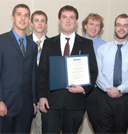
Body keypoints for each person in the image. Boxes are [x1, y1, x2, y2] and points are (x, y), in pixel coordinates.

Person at [37, 5, 98, 133]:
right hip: (51, 103)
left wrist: (84, 88)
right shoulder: (48, 43)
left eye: (72, 18)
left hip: (75, 104)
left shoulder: (87, 44)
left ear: (76, 21)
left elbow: (93, 71)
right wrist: (41, 96)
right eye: (65, 17)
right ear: (59, 20)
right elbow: (42, 72)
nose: (68, 21)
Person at [0, 4, 37, 134]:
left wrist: (33, 102)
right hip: (5, 105)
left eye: (26, 15)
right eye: (19, 14)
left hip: (26, 107)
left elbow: (32, 75)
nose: (23, 18)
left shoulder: (33, 45)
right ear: (12, 17)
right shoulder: (0, 41)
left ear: (29, 20)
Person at [96, 13, 128, 133]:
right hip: (104, 97)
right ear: (114, 27)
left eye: (125, 25)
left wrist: (119, 89)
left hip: (124, 99)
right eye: (119, 25)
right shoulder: (103, 49)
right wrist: (109, 90)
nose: (122, 28)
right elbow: (98, 73)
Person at [82, 13, 106, 133]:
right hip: (78, 92)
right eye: (91, 24)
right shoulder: (76, 43)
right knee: (72, 126)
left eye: (97, 25)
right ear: (85, 25)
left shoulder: (105, 46)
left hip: (96, 92)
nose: (94, 27)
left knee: (98, 126)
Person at [27, 10, 48, 134]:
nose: (39, 24)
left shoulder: (53, 45)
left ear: (46, 24)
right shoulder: (23, 42)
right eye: (36, 20)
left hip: (43, 96)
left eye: (42, 21)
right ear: (31, 23)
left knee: (40, 129)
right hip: (25, 95)